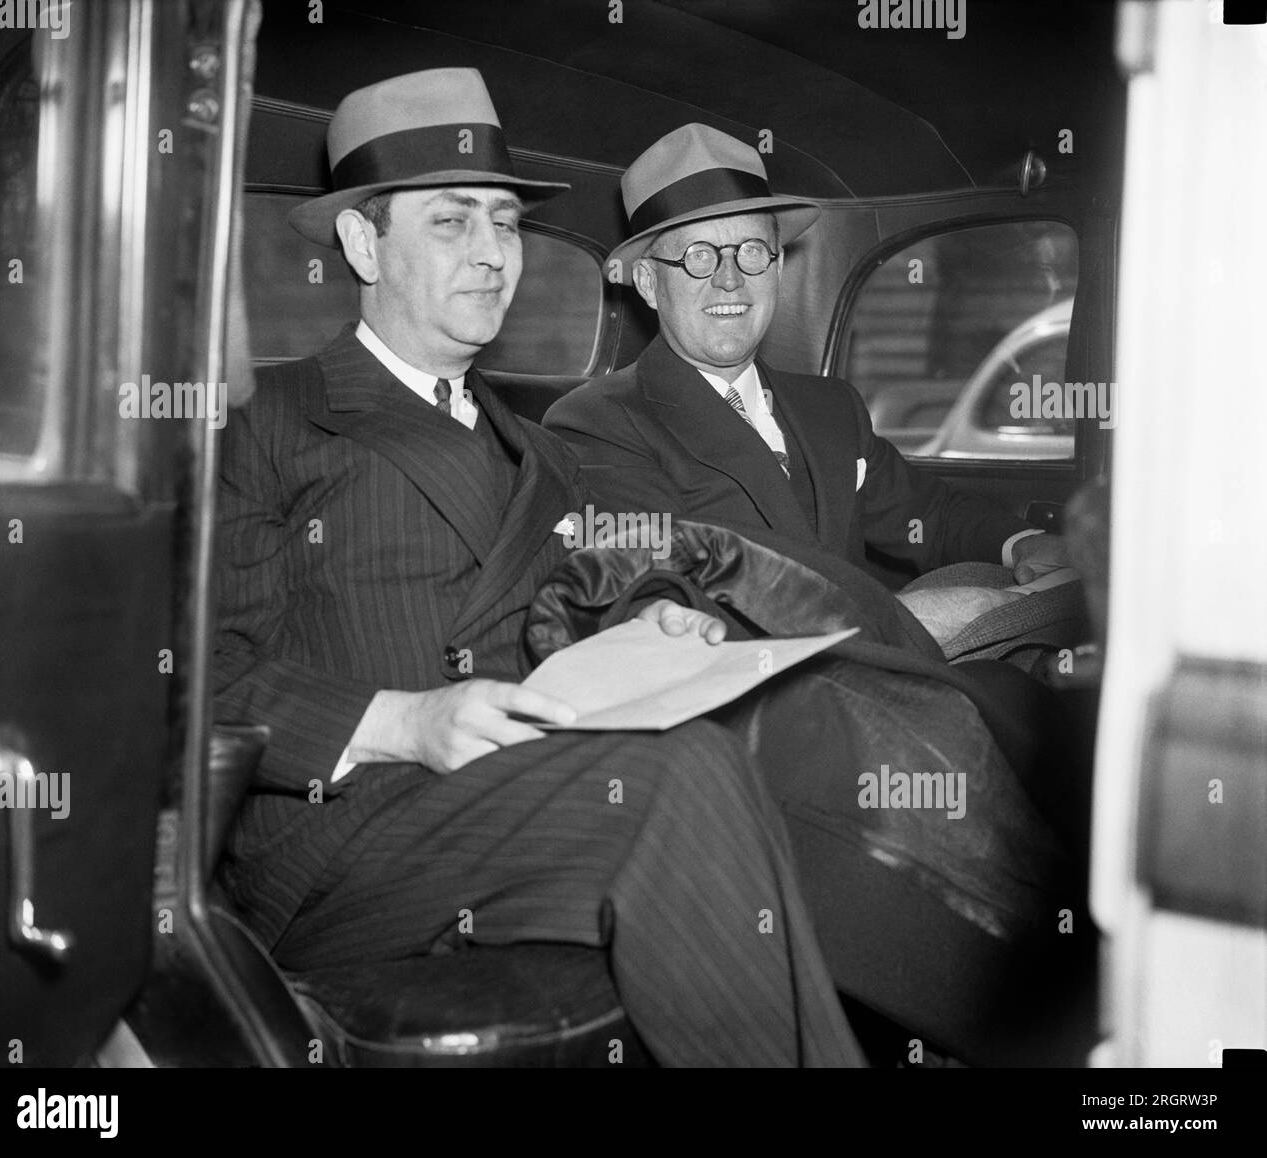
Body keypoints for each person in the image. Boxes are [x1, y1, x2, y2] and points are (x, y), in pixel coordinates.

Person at [211, 68, 865, 1067]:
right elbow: (197, 673)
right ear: (360, 243)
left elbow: (578, 601)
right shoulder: (267, 422)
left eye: (507, 223)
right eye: (452, 223)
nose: (492, 255)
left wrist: (655, 628)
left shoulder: (539, 451)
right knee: (677, 778)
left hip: (515, 801)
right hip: (340, 843)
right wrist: (402, 720)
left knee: (726, 753)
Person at [543, 123, 1071, 588]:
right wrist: (917, 623)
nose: (730, 280)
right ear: (649, 283)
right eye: (698, 256)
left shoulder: (831, 409)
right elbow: (675, 592)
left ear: (776, 271)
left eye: (751, 251)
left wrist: (1021, 543)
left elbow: (929, 510)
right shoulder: (598, 423)